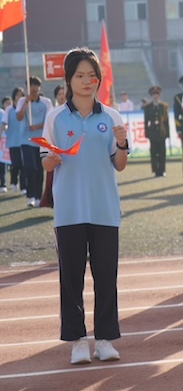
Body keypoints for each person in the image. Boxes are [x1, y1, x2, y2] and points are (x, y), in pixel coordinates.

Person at [40, 47, 130, 364]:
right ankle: (78, 341)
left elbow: (120, 164)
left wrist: (121, 142)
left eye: (92, 75)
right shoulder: (55, 117)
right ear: (68, 80)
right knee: (71, 279)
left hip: (104, 208)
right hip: (69, 210)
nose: (86, 81)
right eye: (79, 75)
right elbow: (47, 165)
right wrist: (50, 160)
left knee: (106, 277)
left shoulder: (111, 117)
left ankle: (104, 339)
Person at [16, 76, 52, 207]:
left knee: (39, 169)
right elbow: (19, 117)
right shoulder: (22, 101)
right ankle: (30, 196)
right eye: (31, 85)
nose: (34, 88)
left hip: (41, 141)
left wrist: (36, 126)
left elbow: (49, 121)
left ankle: (38, 196)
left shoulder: (46, 102)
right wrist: (26, 102)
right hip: (26, 140)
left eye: (36, 85)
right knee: (30, 167)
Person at [3, 88, 26, 194]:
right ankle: (13, 182)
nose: (19, 97)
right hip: (13, 141)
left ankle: (24, 186)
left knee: (24, 165)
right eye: (17, 95)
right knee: (15, 164)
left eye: (21, 95)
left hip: (25, 141)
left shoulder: (26, 108)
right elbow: (4, 123)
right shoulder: (9, 110)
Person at [143, 85, 169, 177]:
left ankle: (162, 170)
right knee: (154, 152)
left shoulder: (164, 106)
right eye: (153, 94)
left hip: (162, 132)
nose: (155, 96)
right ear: (151, 96)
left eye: (157, 94)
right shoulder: (148, 107)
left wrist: (167, 134)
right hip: (152, 132)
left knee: (162, 152)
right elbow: (146, 121)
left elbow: (166, 121)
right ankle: (155, 170)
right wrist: (147, 133)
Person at [0, 96, 9, 192]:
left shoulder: (2, 113)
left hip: (1, 143)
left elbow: (4, 126)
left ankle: (3, 184)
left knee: (2, 164)